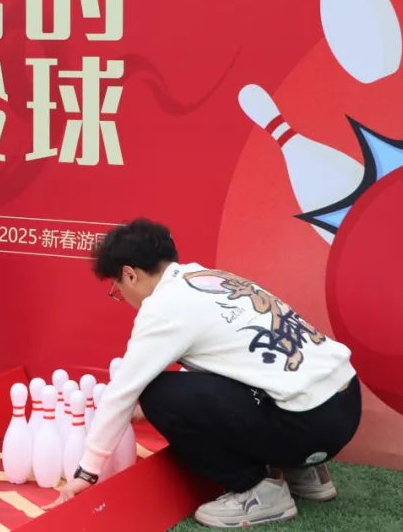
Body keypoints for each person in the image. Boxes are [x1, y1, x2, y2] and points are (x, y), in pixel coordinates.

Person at [50, 218, 361, 528]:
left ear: (130, 274)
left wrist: (87, 472)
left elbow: (122, 392)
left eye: (117, 289)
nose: (123, 297)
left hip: (309, 426)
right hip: (344, 405)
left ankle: (257, 491)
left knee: (158, 394)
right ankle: (304, 472)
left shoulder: (163, 308)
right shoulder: (208, 278)